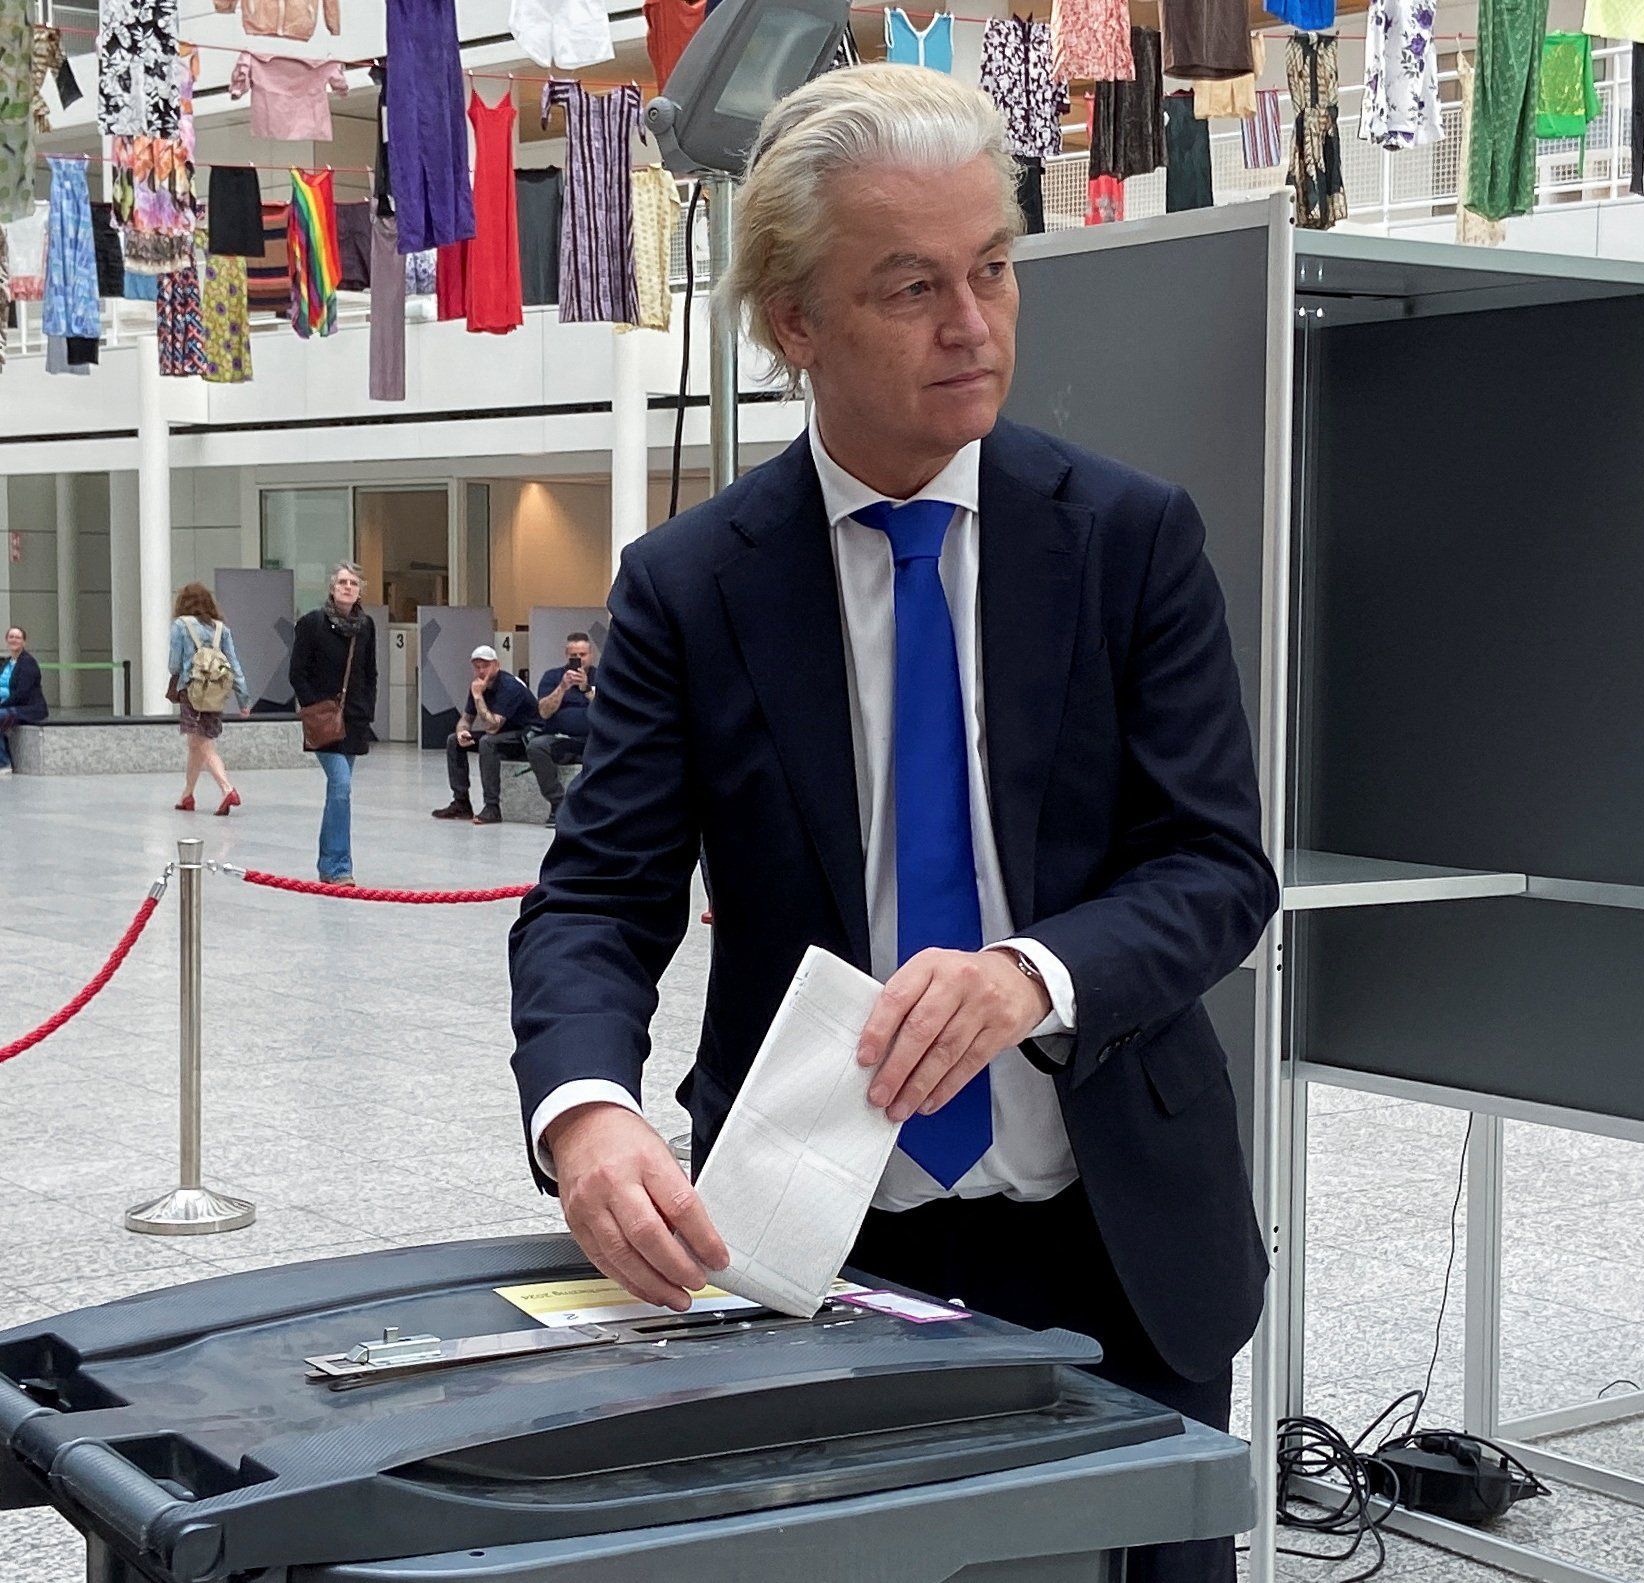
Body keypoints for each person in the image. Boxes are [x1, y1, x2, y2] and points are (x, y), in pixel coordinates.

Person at [507, 66, 1276, 1583]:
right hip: (813, 1232)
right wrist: (584, 1110)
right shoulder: (693, 585)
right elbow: (598, 899)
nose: (973, 325)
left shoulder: (1128, 541)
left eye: (991, 268)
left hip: (1110, 1225)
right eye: (911, 285)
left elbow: (1215, 865)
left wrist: (1027, 975)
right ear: (795, 322)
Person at [289, 563, 379, 884]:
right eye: (342, 582)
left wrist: (367, 708)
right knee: (341, 785)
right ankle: (340, 867)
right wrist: (314, 706)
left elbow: (370, 673)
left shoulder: (365, 626)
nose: (347, 587)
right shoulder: (313, 624)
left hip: (353, 720)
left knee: (337, 792)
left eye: (353, 583)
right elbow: (297, 672)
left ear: (359, 590)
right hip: (323, 721)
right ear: (332, 587)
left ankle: (328, 865)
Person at [167, 583, 253, 814]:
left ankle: (227, 789)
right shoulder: (221, 630)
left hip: (192, 693)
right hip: (215, 694)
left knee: (203, 743)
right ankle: (187, 795)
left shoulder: (180, 626)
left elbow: (174, 665)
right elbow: (234, 666)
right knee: (196, 743)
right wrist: (244, 700)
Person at [434, 644, 540, 826]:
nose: (481, 671)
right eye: (477, 667)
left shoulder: (509, 686)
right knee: (453, 741)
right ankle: (461, 802)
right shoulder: (478, 686)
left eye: (486, 666)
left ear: (497, 665)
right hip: (503, 732)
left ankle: (492, 806)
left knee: (487, 742)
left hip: (526, 736)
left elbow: (492, 727)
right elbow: (466, 718)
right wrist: (462, 732)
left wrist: (478, 697)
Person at [523, 633, 596, 827]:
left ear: (591, 654)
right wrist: (563, 687)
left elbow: (611, 712)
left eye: (583, 654)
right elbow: (544, 712)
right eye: (574, 655)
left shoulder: (603, 676)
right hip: (561, 738)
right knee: (536, 746)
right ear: (566, 655)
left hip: (594, 739)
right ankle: (558, 803)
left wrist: (586, 689)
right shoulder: (552, 677)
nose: (579, 659)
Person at [0, 625, 49, 776]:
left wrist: (2, 705)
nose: (14, 640)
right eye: (11, 637)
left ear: (24, 642)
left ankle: (4, 763)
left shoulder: (28, 663)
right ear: (7, 640)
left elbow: (22, 694)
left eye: (18, 637)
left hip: (29, 709)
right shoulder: (7, 663)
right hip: (7, 706)